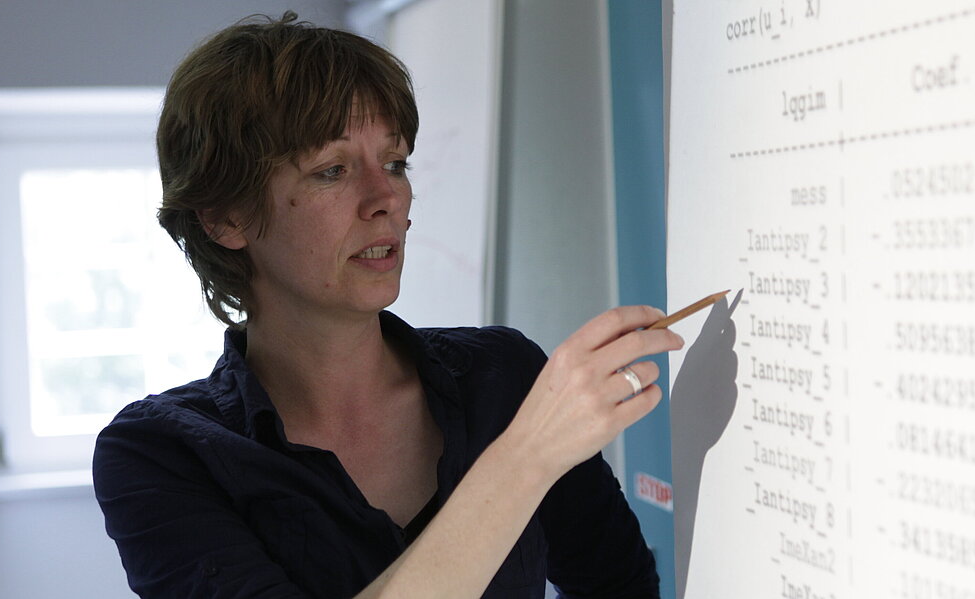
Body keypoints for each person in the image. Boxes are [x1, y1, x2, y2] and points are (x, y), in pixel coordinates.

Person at [91, 12, 680, 599]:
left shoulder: (502, 374)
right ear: (224, 218)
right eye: (333, 170)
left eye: (395, 163)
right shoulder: (159, 454)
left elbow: (622, 587)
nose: (387, 199)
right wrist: (528, 457)